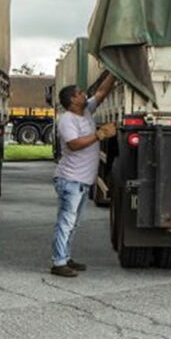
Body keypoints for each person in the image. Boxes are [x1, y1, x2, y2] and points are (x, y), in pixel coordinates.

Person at [50, 74, 117, 278]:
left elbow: (101, 93)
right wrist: (98, 135)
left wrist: (113, 73)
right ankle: (58, 262)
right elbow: (73, 144)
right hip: (70, 180)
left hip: (80, 181)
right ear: (72, 100)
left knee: (73, 223)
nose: (83, 94)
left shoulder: (86, 110)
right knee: (66, 222)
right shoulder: (67, 120)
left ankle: (66, 256)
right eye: (79, 93)